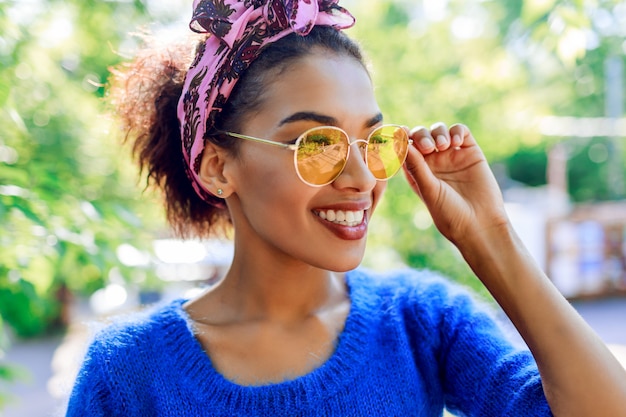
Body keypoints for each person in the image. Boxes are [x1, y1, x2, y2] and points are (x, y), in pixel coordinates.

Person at [65, 1, 626, 416]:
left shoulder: (421, 323)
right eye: (318, 145)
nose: (360, 178)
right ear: (218, 166)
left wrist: (491, 237)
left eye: (374, 141)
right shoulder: (128, 374)